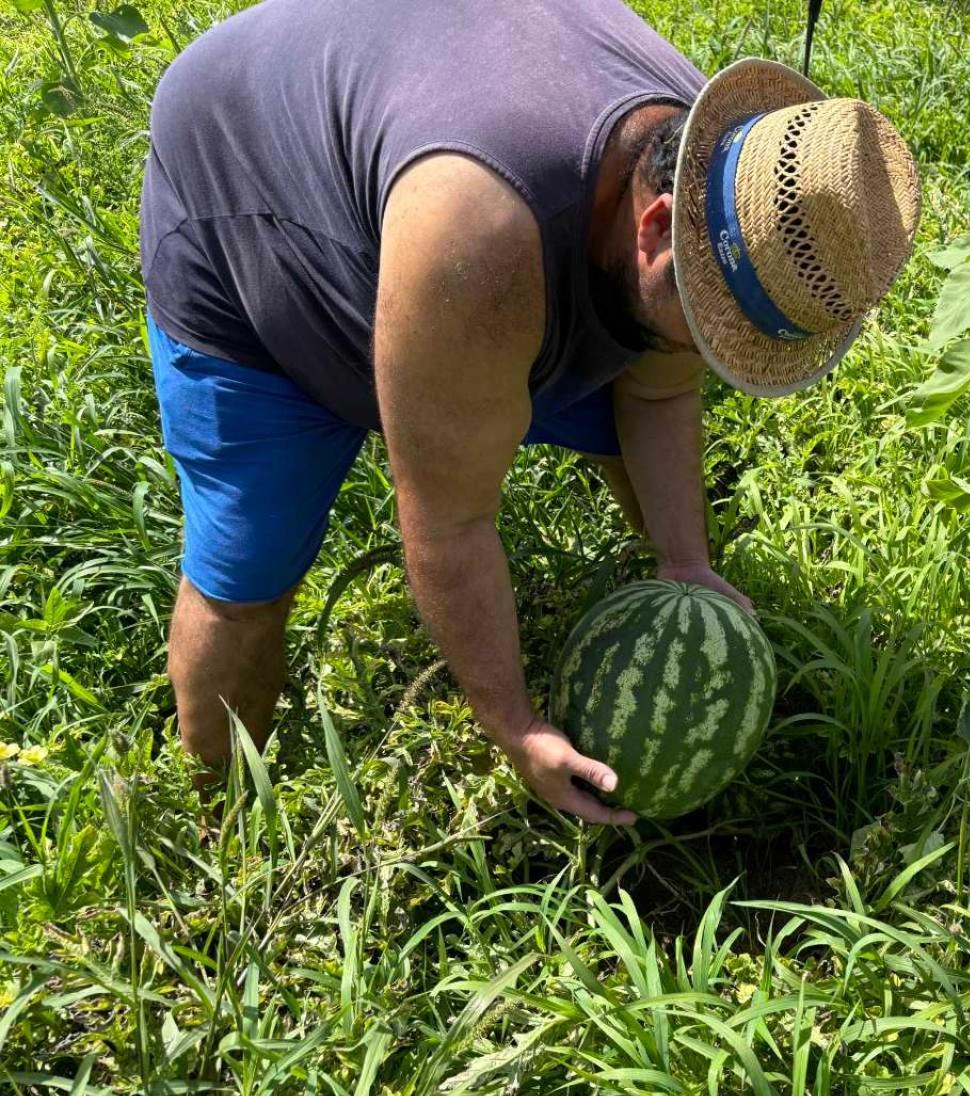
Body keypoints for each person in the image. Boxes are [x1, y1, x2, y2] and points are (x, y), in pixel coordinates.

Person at [139, 0, 921, 824]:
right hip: (248, 191)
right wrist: (512, 724)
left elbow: (658, 386)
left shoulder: (733, 185)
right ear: (658, 226)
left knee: (626, 397)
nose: (715, 351)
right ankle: (215, 826)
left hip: (436, 167)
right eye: (712, 325)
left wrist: (686, 562)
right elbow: (448, 521)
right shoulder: (481, 240)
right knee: (247, 579)